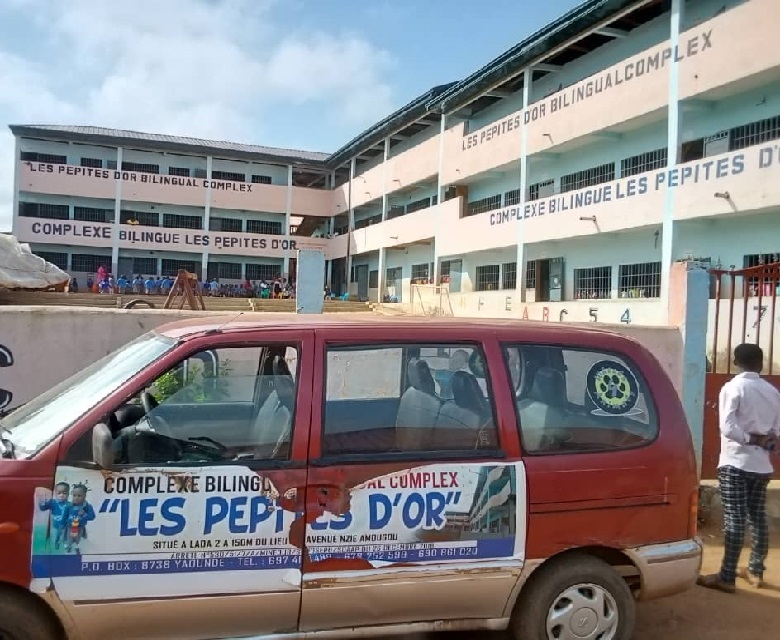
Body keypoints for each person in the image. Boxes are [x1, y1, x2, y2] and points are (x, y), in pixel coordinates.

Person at [698, 343, 780, 593]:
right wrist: (766, 442)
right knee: (757, 518)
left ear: (735, 362)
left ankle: (727, 576)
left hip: (735, 463)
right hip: (761, 466)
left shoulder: (733, 388)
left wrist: (752, 439)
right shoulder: (772, 392)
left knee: (735, 519)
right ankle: (755, 570)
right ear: (761, 363)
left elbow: (727, 427)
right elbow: (776, 432)